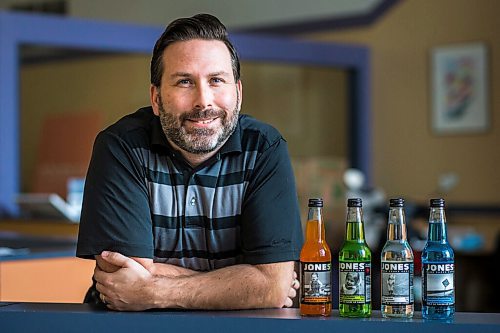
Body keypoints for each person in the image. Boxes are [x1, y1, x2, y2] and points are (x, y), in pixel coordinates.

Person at [76, 13, 303, 311]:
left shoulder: (263, 149)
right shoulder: (121, 147)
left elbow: (273, 287)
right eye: (185, 82)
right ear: (156, 98)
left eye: (216, 80)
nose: (203, 101)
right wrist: (248, 283)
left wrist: (153, 290)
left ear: (238, 92)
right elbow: (120, 278)